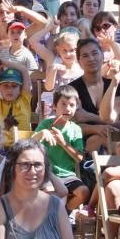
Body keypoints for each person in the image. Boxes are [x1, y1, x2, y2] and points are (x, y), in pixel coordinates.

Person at [33, 85, 88, 213]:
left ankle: (65, 213)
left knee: (83, 192)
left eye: (72, 105)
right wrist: (42, 133)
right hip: (48, 174)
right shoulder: (46, 124)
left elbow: (79, 158)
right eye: (63, 104)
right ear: (54, 106)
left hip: (67, 176)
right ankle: (55, 217)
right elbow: (30, 143)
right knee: (51, 193)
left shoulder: (76, 129)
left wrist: (63, 143)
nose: (67, 109)